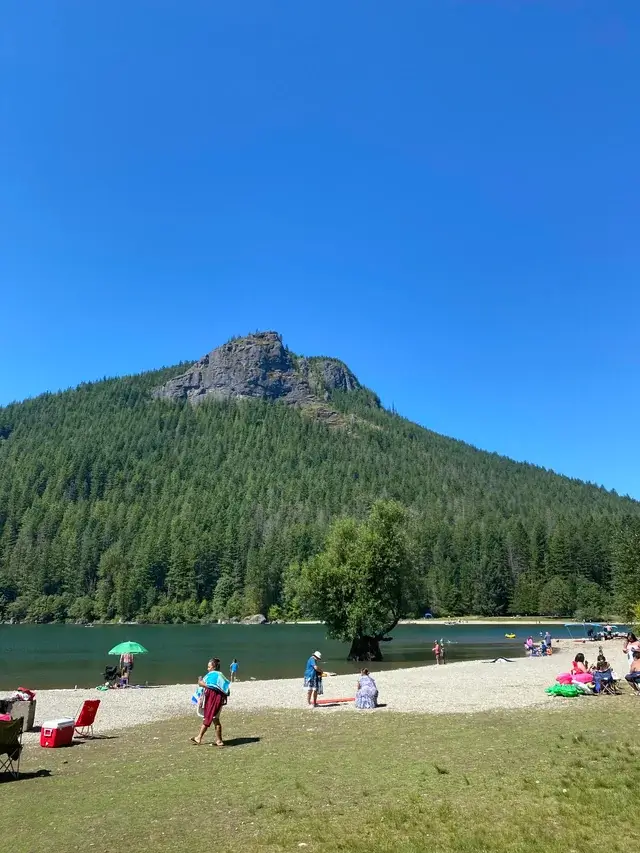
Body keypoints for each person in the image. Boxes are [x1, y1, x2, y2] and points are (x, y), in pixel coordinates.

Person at [190, 658, 230, 746]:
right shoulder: (221, 676)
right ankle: (219, 740)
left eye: (209, 667)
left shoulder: (212, 675)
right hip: (219, 701)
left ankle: (199, 737)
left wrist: (200, 681)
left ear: (213, 667)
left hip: (212, 700)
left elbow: (206, 685)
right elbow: (226, 689)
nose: (207, 669)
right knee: (216, 719)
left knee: (208, 717)